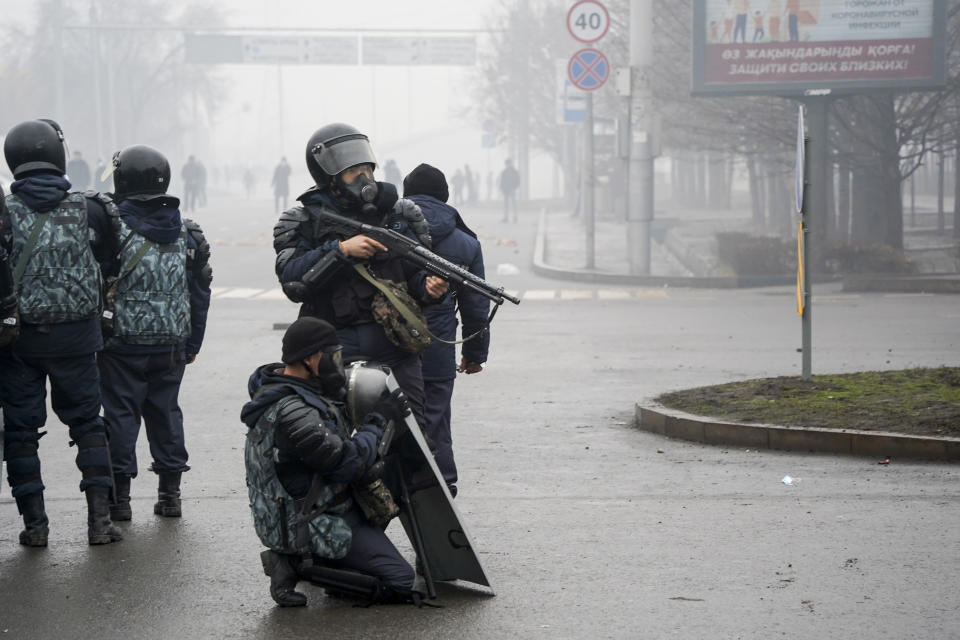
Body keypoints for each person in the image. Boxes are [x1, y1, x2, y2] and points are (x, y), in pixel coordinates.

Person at [273, 123, 447, 428]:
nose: (364, 176)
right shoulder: (302, 220)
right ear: (329, 176)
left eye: (366, 167)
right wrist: (340, 251)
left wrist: (429, 287)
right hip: (334, 348)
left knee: (415, 435)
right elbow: (293, 282)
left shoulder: (399, 213)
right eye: (353, 171)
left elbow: (414, 274)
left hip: (396, 346)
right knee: (335, 433)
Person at [0, 119, 121, 546]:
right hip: (77, 339)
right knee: (88, 424)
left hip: (19, 343)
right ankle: (100, 523)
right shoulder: (90, 208)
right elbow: (110, 263)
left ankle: (35, 527)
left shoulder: (5, 213)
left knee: (19, 433)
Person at [241, 317, 416, 606]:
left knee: (395, 473)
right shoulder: (295, 413)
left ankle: (339, 564)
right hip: (311, 519)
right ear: (310, 359)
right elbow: (348, 464)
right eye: (331, 356)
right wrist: (379, 421)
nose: (337, 363)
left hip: (327, 500)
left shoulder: (301, 389)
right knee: (400, 581)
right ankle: (294, 564)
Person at [96, 145, 213, 523]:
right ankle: (170, 495)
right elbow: (200, 291)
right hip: (172, 343)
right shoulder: (187, 231)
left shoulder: (113, 228)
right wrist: (193, 342)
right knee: (166, 413)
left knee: (121, 416)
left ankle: (120, 501)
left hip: (121, 344)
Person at [402, 164, 490, 497]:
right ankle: (441, 496)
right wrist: (474, 354)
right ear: (445, 196)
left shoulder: (389, 230)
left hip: (390, 348)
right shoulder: (465, 242)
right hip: (438, 349)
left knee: (385, 424)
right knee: (436, 422)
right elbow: (476, 305)